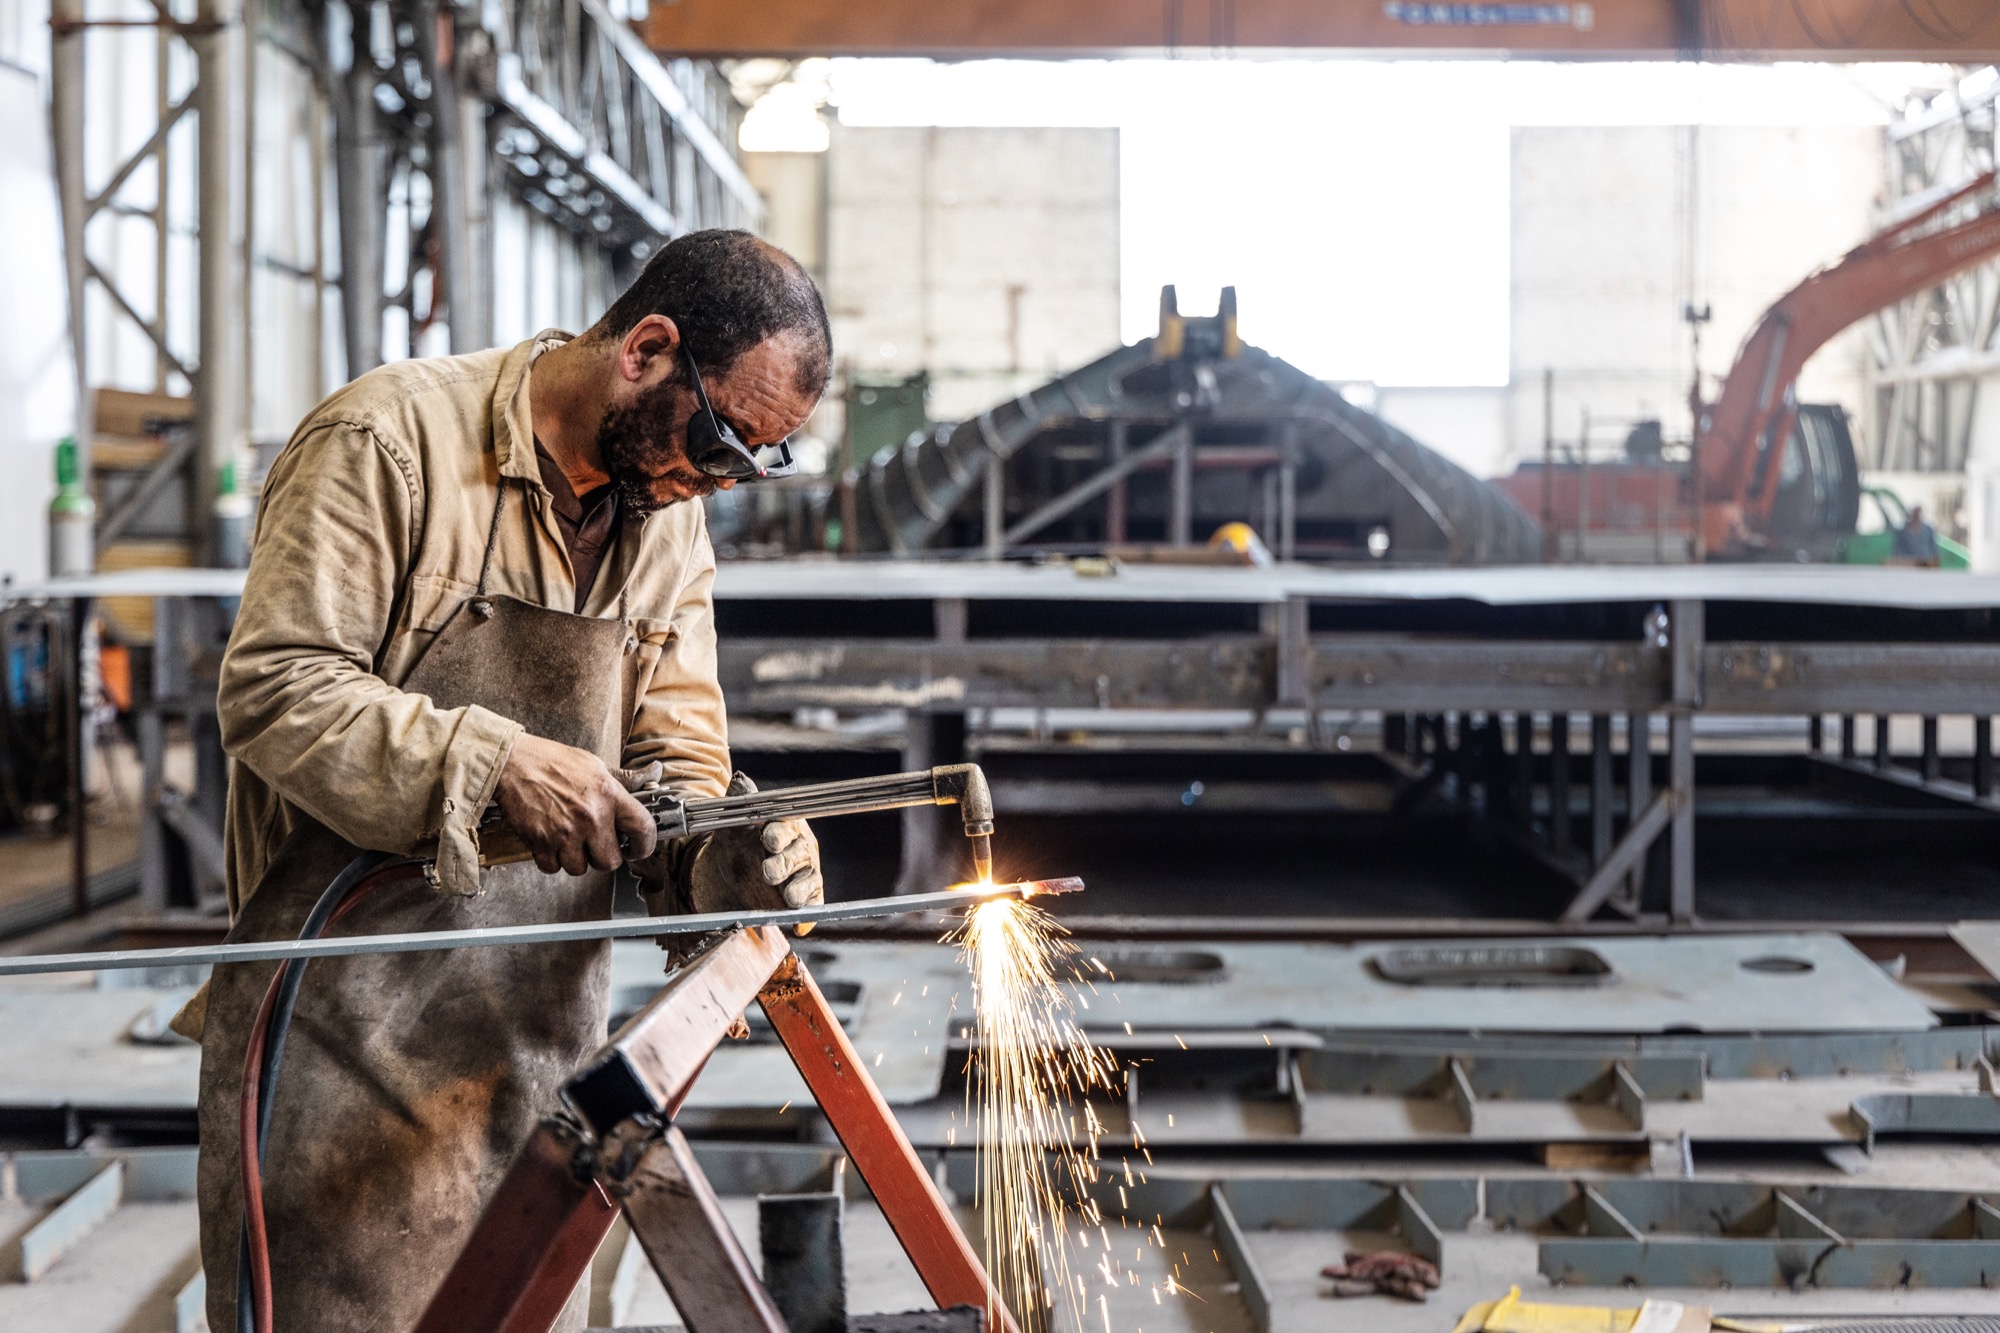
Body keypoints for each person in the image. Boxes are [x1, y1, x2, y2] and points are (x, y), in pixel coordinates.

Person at [177, 230, 831, 1333]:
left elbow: (677, 762)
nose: (713, 483)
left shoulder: (667, 527)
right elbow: (274, 688)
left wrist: (727, 855)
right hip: (336, 1057)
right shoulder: (388, 442)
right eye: (718, 441)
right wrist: (488, 763)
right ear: (646, 350)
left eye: (749, 465)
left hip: (536, 1063)